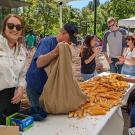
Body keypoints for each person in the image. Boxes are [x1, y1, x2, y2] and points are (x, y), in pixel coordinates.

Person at [26, 23, 78, 120]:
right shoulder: (47, 41)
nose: (70, 42)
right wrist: (56, 51)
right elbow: (39, 63)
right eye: (69, 38)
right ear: (63, 32)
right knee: (39, 117)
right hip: (35, 85)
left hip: (47, 87)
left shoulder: (64, 47)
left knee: (49, 117)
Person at [0, 14, 26, 124]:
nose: (14, 29)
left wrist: (20, 88)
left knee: (11, 129)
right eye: (10, 26)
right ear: (4, 28)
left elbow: (21, 75)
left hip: (14, 99)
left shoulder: (22, 51)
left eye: (18, 27)